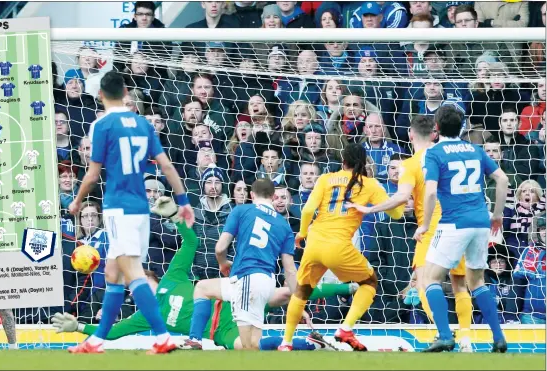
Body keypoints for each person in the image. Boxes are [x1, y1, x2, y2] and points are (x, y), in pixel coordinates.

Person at [53, 197, 353, 351]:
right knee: (249, 348)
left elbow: (192, 241)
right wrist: (79, 327)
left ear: (149, 275)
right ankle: (313, 344)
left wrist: (174, 217)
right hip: (220, 332)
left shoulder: (173, 276)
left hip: (230, 299)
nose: (134, 289)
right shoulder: (146, 314)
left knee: (287, 293)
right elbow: (114, 333)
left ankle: (347, 288)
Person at [66, 71, 194, 355]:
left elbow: (92, 173)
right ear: (125, 92)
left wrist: (77, 201)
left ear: (100, 95)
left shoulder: (102, 125)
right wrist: (183, 200)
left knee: (133, 273)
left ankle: (163, 337)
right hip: (140, 209)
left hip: (118, 209)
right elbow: (167, 166)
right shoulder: (142, 123)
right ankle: (97, 341)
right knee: (113, 273)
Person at [346, 115, 474, 352]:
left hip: (434, 227)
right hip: (462, 223)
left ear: (410, 135)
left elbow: (401, 197)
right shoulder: (448, 155)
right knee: (460, 285)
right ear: (435, 133)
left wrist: (369, 208)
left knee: (425, 283)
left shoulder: (412, 164)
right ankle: (465, 339)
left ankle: (444, 333)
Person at [278, 143, 405, 351]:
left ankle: (286, 342)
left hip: (315, 242)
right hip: (338, 246)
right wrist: (400, 195)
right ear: (364, 162)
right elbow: (397, 214)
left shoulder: (326, 179)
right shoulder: (370, 184)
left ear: (343, 161)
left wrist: (302, 232)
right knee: (370, 282)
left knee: (301, 292)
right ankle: (346, 328)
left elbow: (308, 208)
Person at [412, 105, 509, 353]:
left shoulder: (434, 153)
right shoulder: (476, 150)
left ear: (436, 128)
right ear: (462, 126)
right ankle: (498, 338)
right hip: (480, 222)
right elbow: (503, 179)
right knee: (476, 281)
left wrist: (424, 225)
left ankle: (445, 335)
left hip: (453, 223)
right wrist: (497, 215)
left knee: (431, 278)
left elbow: (431, 190)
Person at [184, 179, 298, 350]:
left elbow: (220, 247)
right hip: (263, 281)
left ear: (251, 195)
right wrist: (297, 301)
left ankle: (303, 344)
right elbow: (289, 269)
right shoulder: (284, 224)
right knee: (203, 287)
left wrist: (223, 264)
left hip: (247, 280)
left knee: (248, 347)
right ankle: (195, 340)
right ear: (273, 196)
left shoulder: (242, 210)